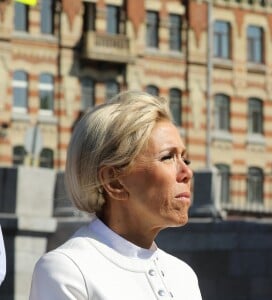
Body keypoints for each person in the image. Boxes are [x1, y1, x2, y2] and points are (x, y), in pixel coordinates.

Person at [29, 91, 202, 299]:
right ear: (114, 181)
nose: (187, 173)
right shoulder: (68, 271)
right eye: (167, 157)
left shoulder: (183, 276)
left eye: (185, 159)